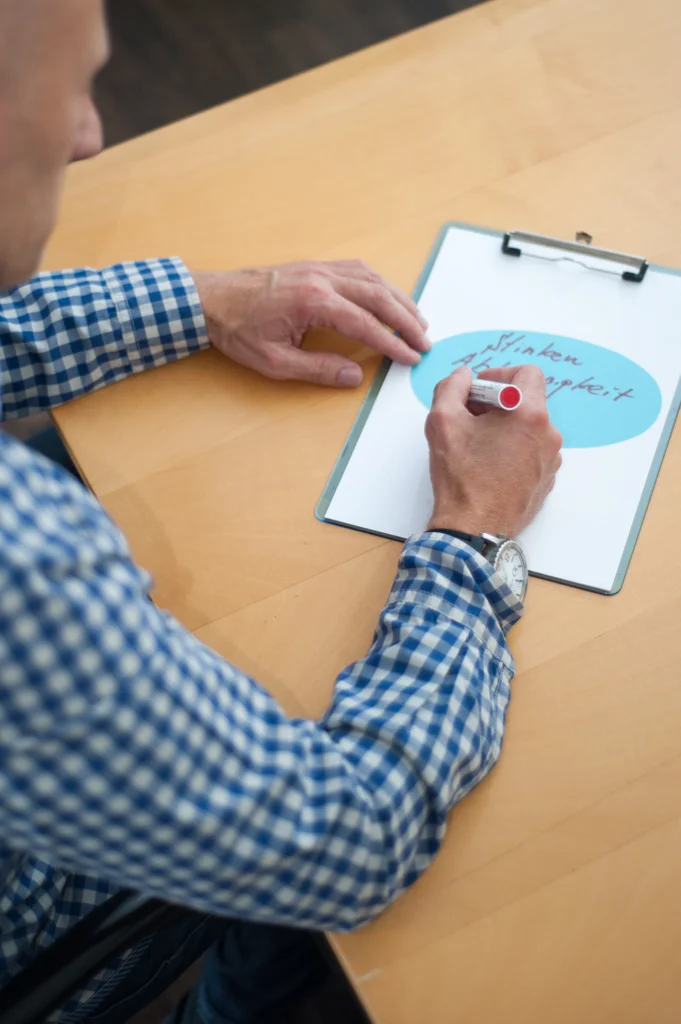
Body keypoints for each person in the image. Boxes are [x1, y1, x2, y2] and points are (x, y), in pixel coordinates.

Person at [0, 1, 562, 1022]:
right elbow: (345, 834)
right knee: (372, 919)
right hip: (45, 921)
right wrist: (472, 535)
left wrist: (204, 300)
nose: (89, 135)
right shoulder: (22, 565)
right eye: (66, 91)